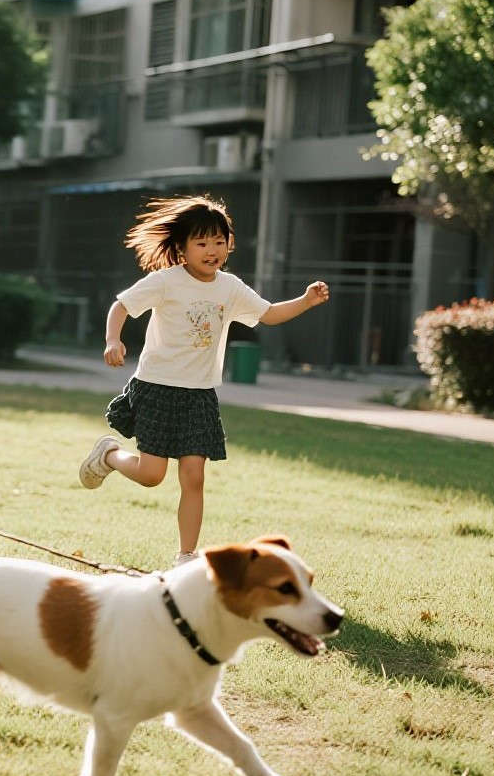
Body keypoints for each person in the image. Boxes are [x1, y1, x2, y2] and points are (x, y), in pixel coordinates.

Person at [77, 194, 329, 567]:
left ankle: (186, 555)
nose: (212, 250)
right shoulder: (165, 281)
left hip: (199, 394)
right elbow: (122, 307)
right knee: (151, 476)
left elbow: (269, 314)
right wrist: (113, 339)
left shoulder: (229, 287)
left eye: (219, 241)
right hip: (157, 387)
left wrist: (306, 301)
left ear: (229, 244)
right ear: (182, 248)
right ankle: (110, 455)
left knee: (194, 476)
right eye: (202, 242)